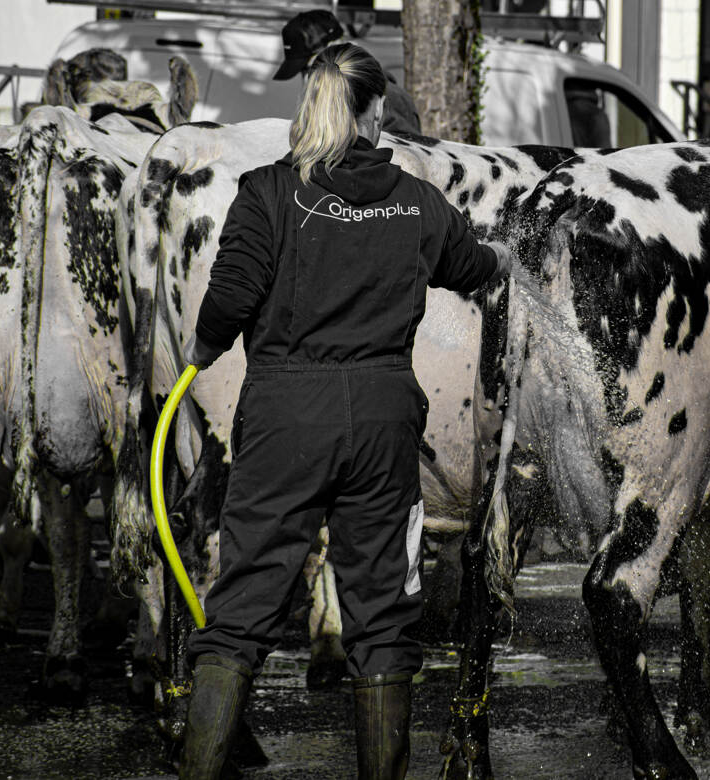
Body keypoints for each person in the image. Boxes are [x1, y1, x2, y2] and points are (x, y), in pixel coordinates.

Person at [175, 42, 510, 780]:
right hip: (384, 419)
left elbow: (229, 299)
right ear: (377, 112)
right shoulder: (418, 201)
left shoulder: (265, 191)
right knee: (382, 612)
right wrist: (506, 259)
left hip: (284, 417)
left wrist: (199, 351)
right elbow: (471, 268)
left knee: (243, 603)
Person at [274, 9, 423, 136]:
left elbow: (406, 156)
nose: (307, 80)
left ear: (335, 46)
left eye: (310, 68)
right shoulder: (329, 100)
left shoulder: (382, 98)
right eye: (302, 72)